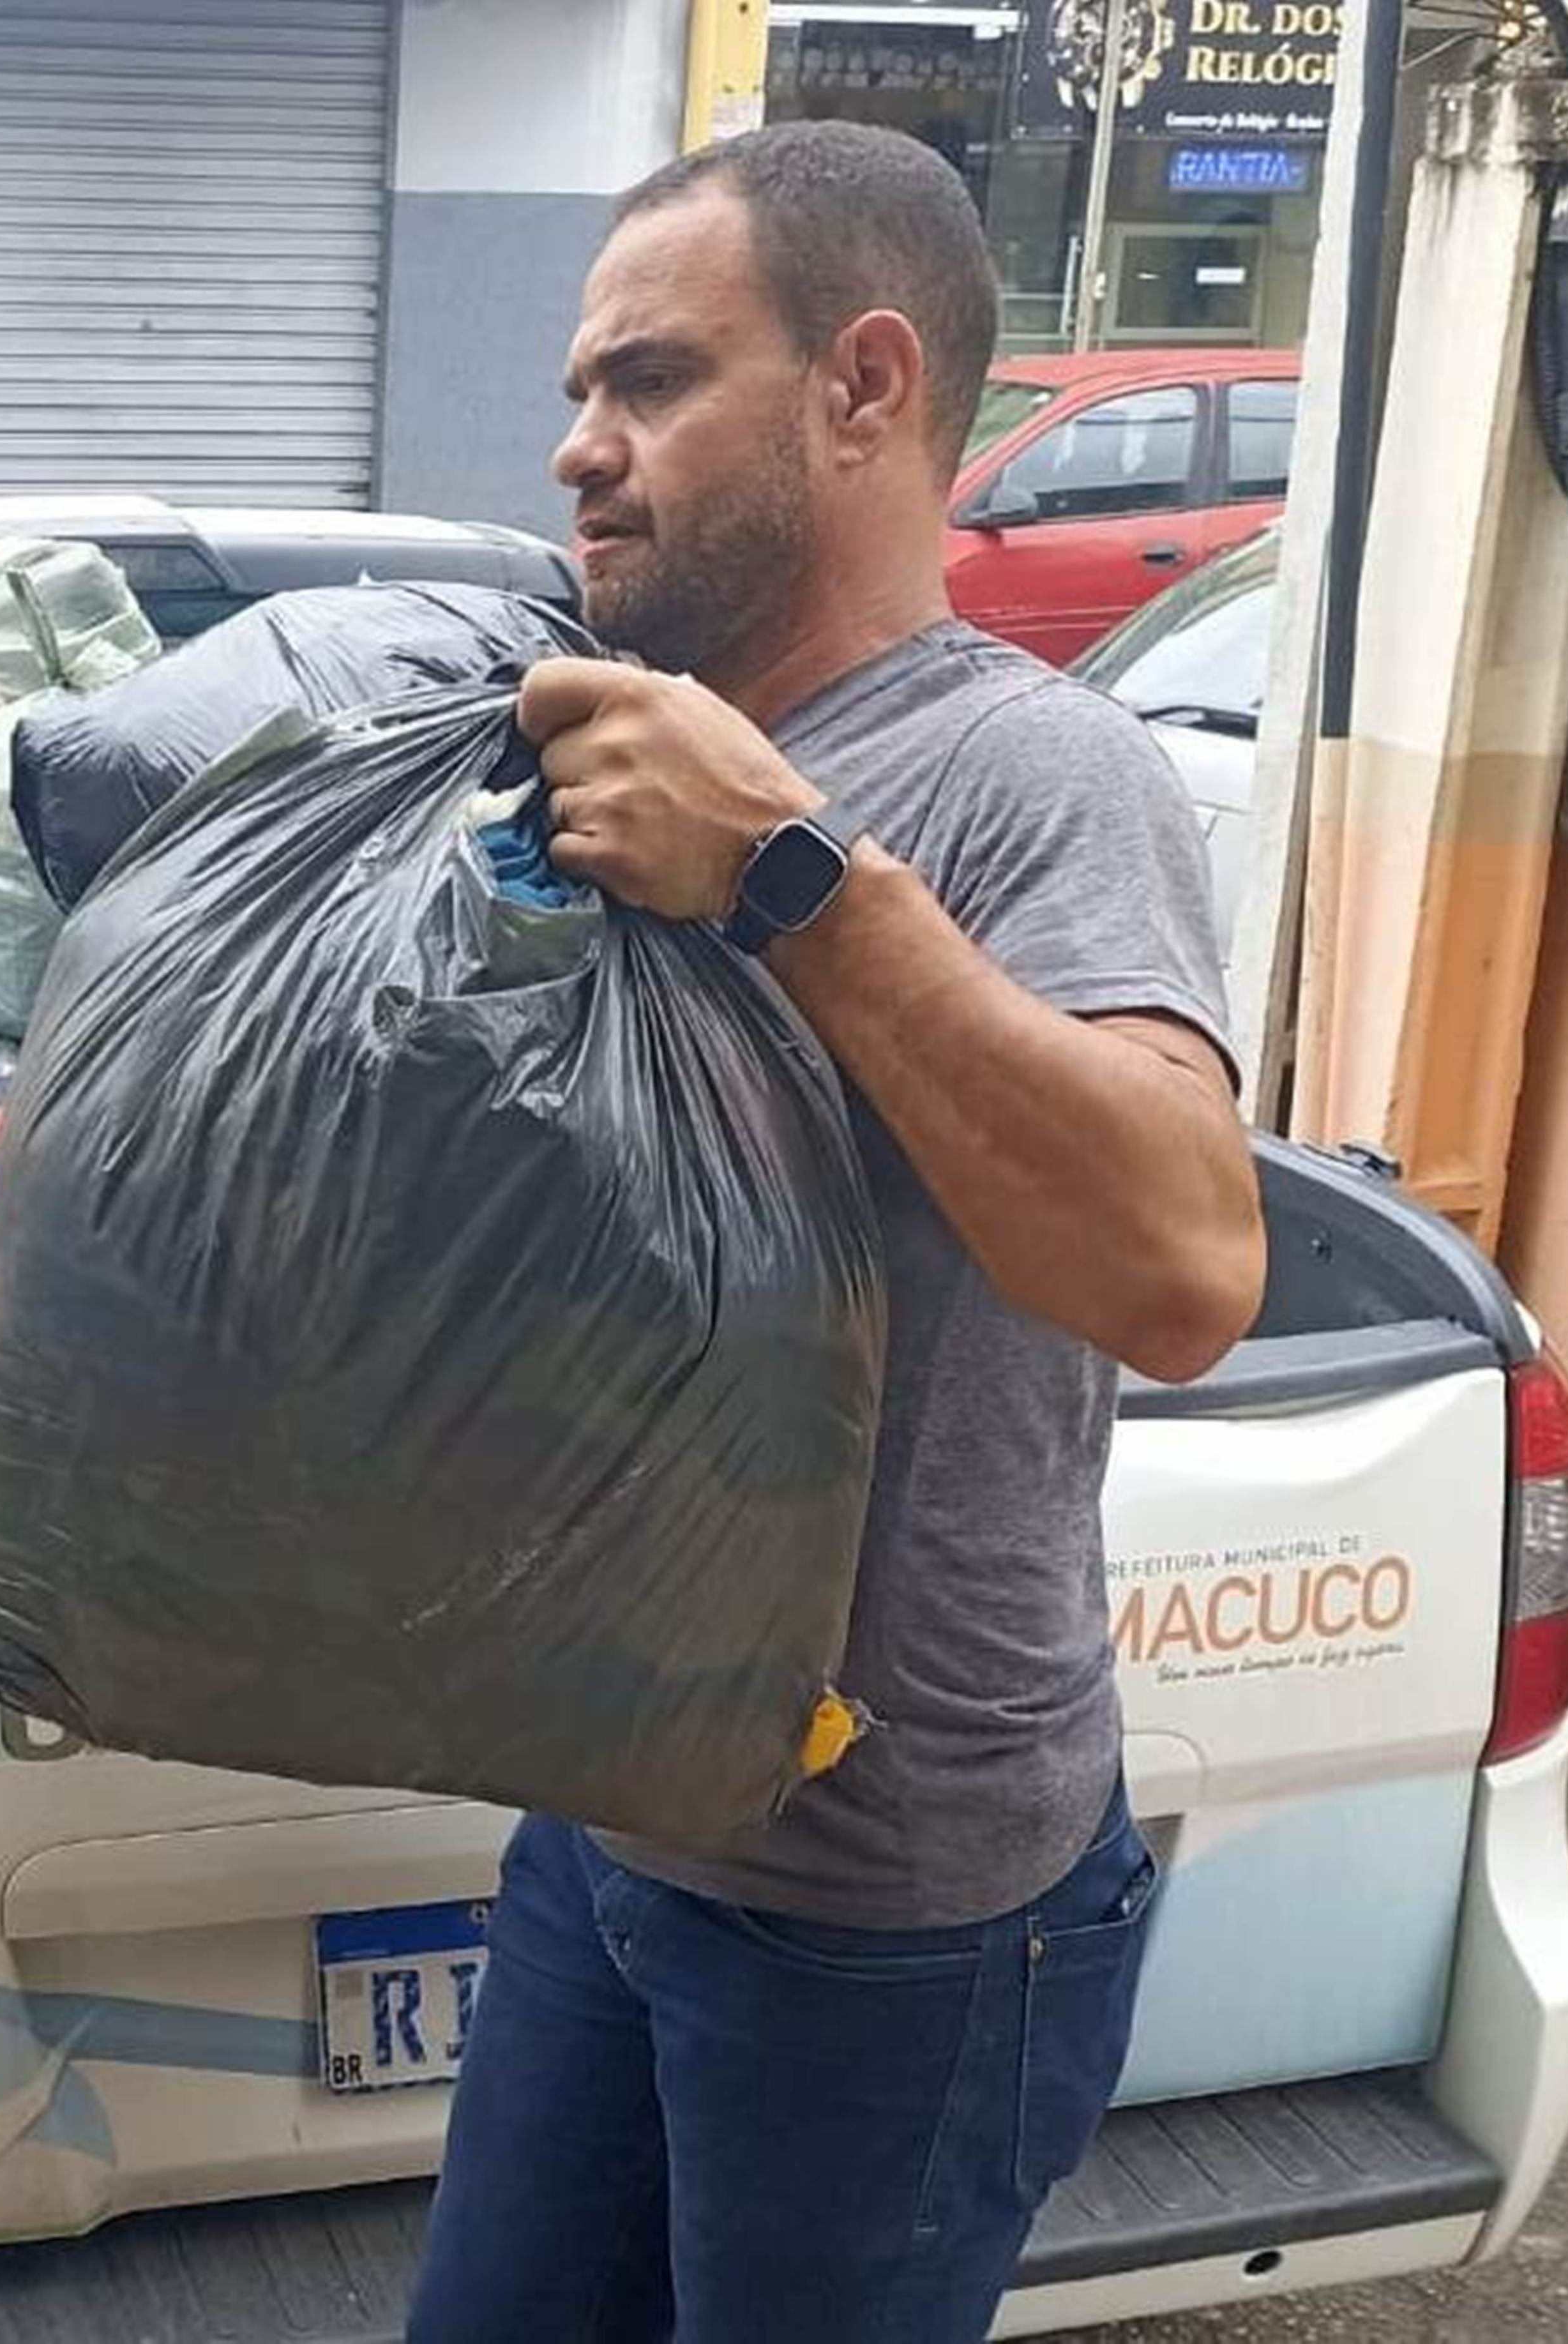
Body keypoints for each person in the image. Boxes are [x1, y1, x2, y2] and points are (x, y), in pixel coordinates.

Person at [411, 123, 1266, 2341]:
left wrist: (791, 874)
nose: (578, 447)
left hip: (888, 1909)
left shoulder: (1036, 774)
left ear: (862, 386)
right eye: (581, 392)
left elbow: (1183, 1274)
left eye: (651, 381)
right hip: (608, 1819)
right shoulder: (595, 764)